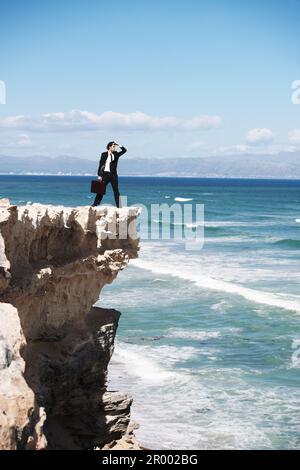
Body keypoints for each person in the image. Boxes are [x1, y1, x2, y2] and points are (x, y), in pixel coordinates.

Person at [91, 141, 127, 208]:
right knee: (100, 190)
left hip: (113, 175)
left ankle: (119, 206)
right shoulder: (104, 154)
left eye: (115, 146)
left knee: (116, 190)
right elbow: (101, 164)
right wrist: (99, 175)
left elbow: (124, 150)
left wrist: (118, 144)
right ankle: (96, 203)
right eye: (113, 146)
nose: (114, 147)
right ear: (109, 147)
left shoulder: (116, 154)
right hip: (105, 175)